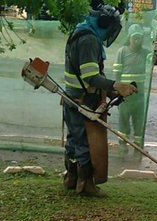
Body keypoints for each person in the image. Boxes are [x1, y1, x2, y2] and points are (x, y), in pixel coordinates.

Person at [62, 1, 137, 197]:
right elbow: (90, 76)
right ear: (103, 23)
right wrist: (116, 85)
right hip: (82, 102)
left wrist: (111, 93)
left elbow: (85, 76)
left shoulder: (79, 31)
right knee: (84, 143)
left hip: (72, 98)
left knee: (73, 141)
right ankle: (85, 185)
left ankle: (71, 179)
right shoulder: (89, 40)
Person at [113, 24, 157, 156]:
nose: (136, 40)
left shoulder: (145, 52)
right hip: (125, 96)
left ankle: (138, 147)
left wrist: (156, 51)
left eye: (139, 38)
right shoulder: (122, 51)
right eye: (134, 38)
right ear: (129, 38)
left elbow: (155, 62)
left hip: (139, 96)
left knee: (138, 122)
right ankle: (122, 145)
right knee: (123, 120)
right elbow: (117, 73)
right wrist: (118, 91)